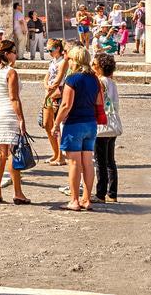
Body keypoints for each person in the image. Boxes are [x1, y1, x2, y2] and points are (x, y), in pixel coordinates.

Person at [52, 44, 104, 212]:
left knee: (74, 163)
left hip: (74, 123)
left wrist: (55, 124)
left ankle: (74, 200)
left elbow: (66, 104)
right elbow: (98, 102)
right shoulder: (94, 79)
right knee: (88, 162)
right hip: (90, 123)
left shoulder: (73, 79)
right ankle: (87, 199)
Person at [0, 40, 30, 204]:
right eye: (13, 51)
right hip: (9, 112)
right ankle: (17, 192)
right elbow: (14, 98)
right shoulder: (11, 72)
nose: (16, 54)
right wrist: (21, 119)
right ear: (6, 54)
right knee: (12, 152)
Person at [93, 53, 120, 203]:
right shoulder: (112, 82)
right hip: (112, 124)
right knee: (110, 161)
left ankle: (100, 193)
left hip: (101, 125)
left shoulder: (99, 82)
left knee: (100, 162)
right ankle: (112, 192)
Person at [42, 38, 68, 165]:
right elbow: (46, 77)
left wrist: (50, 88)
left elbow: (58, 81)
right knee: (47, 124)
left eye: (51, 50)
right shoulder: (52, 61)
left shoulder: (63, 62)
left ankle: (60, 157)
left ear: (58, 49)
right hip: (49, 94)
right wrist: (47, 86)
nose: (49, 52)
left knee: (56, 126)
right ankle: (55, 152)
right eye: (47, 50)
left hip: (57, 94)